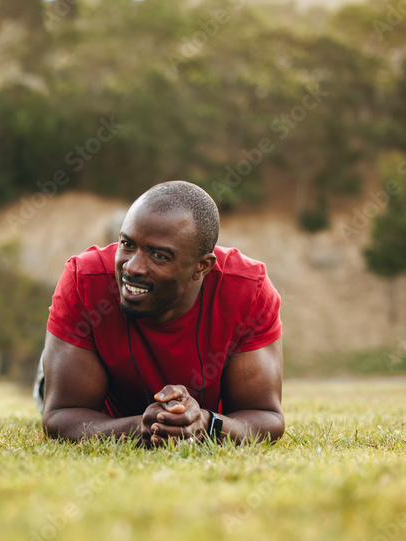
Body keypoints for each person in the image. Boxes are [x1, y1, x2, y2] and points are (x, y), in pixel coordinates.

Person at [37, 181, 285, 445]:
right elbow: (61, 416)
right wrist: (142, 426)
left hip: (203, 412)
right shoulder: (84, 278)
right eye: (127, 244)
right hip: (97, 394)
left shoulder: (248, 289)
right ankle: (44, 372)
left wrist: (205, 423)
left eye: (158, 255)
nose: (132, 267)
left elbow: (266, 416)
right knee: (50, 388)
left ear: (201, 267)